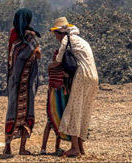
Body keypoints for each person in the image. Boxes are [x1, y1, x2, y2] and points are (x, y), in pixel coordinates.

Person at [48, 17, 98, 158]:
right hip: (93, 77)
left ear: (60, 32)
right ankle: (81, 148)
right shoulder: (81, 40)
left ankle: (74, 148)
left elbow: (58, 62)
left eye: (56, 34)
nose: (56, 37)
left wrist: (49, 66)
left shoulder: (66, 39)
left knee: (74, 109)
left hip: (82, 76)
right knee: (84, 110)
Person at [4, 8, 41, 155]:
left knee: (12, 110)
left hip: (13, 80)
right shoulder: (30, 37)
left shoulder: (13, 33)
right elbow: (37, 55)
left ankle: (7, 147)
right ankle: (22, 148)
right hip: (27, 81)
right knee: (26, 111)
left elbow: (12, 56)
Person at [40, 49, 70, 155]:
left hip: (51, 95)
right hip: (60, 96)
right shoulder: (64, 70)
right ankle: (56, 147)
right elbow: (67, 77)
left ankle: (43, 148)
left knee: (50, 121)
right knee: (59, 121)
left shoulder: (50, 68)